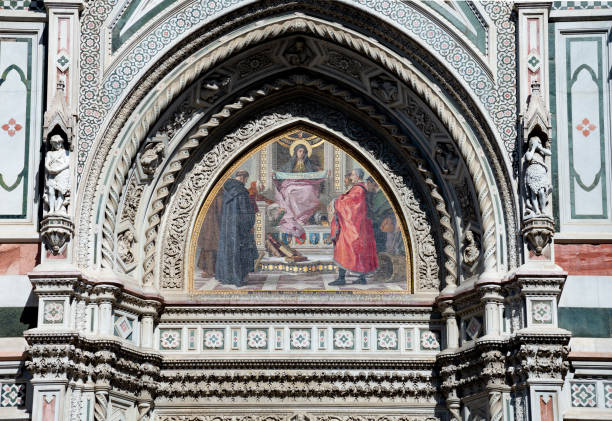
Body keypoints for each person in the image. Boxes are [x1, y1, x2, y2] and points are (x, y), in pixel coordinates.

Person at [329, 168, 378, 285]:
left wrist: (336, 201)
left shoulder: (358, 189)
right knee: (360, 250)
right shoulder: (360, 188)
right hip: (360, 225)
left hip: (353, 226)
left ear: (358, 176)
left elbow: (350, 205)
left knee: (344, 249)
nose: (351, 177)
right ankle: (362, 278)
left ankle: (342, 279)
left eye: (352, 175)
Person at [273, 142, 326, 240]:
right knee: (289, 191)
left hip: (306, 184)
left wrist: (323, 172)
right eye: (300, 151)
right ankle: (294, 218)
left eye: (303, 151)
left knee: (309, 189)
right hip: (291, 184)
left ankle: (302, 218)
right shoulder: (290, 164)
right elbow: (281, 172)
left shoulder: (308, 164)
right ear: (295, 152)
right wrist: (274, 174)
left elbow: (317, 171)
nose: (301, 153)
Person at [215, 170, 258, 286]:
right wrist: (250, 225)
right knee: (242, 251)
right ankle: (240, 277)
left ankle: (228, 277)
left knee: (229, 250)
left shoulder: (227, 191)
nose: (246, 182)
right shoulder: (242, 192)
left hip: (228, 228)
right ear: (243, 178)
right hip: (240, 228)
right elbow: (246, 212)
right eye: (246, 179)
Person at [366, 176, 393, 252]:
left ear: (374, 184)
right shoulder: (374, 194)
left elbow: (376, 210)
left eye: (368, 183)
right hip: (379, 224)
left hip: (382, 225)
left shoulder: (381, 194)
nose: (367, 185)